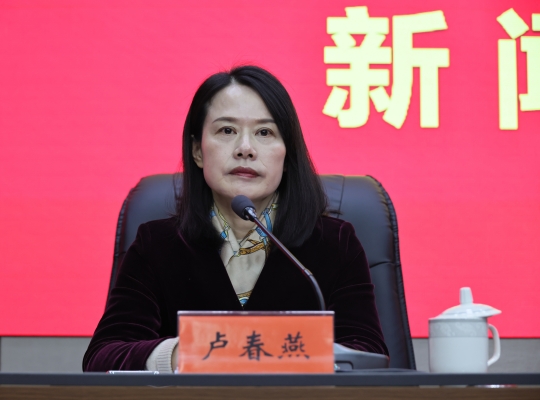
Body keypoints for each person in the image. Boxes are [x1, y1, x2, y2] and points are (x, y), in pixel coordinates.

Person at [83, 66, 388, 372]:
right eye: (227, 131)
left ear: (286, 155)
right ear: (197, 150)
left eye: (264, 133)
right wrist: (185, 353)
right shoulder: (157, 246)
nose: (245, 149)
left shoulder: (334, 244)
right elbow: (103, 357)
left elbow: (368, 356)